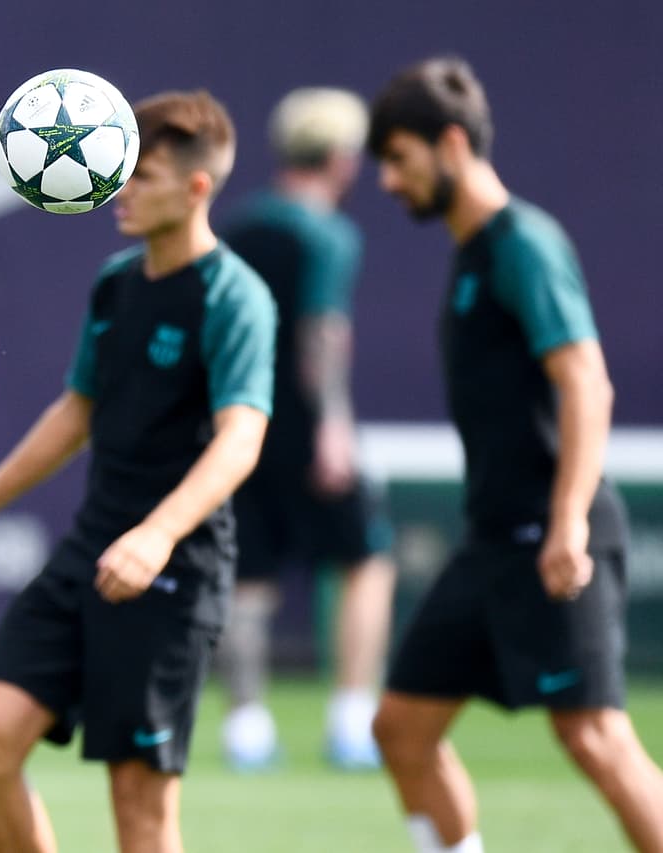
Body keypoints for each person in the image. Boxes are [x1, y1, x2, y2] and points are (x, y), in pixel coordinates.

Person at [0, 90, 275, 853]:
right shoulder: (117, 283)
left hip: (174, 568)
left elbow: (241, 438)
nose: (116, 187)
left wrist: (158, 535)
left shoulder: (233, 296)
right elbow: (76, 412)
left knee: (139, 809)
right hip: (91, 552)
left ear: (196, 187)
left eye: (138, 174)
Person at [366, 57, 663, 853]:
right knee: (401, 726)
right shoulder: (471, 253)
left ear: (451, 143)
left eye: (400, 158)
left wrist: (566, 522)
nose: (389, 181)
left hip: (551, 530)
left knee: (595, 738)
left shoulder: (521, 243)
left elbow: (586, 383)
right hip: (494, 539)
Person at [216, 87, 397, 772]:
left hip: (238, 420)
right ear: (344, 158)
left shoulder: (237, 226)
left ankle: (247, 727)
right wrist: (332, 427)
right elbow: (322, 334)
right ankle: (353, 719)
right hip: (300, 420)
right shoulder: (325, 232)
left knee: (248, 579)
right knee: (366, 560)